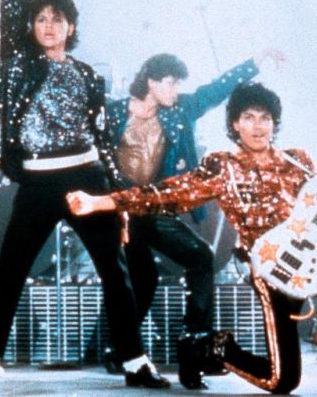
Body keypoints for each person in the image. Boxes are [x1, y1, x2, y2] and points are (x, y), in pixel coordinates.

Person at [68, 82, 317, 393]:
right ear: (235, 124)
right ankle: (211, 347)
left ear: (274, 123)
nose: (258, 126)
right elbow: (167, 194)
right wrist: (102, 202)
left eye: (265, 118)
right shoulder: (223, 166)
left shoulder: (297, 161)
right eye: (249, 117)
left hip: (316, 263)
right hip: (274, 273)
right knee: (282, 381)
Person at [0, 0, 170, 391]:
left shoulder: (87, 75)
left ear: (71, 27)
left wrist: (115, 196)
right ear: (30, 26)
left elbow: (102, 139)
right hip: (37, 181)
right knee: (10, 270)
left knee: (115, 271)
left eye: (58, 19)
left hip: (87, 178)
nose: (48, 26)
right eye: (41, 19)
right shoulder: (19, 62)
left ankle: (135, 362)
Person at [105, 51, 284, 382]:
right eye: (171, 83)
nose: (176, 90)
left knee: (199, 256)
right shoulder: (113, 113)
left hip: (152, 206)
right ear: (151, 82)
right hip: (115, 209)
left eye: (178, 84)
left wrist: (255, 63)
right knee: (142, 277)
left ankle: (193, 344)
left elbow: (216, 90)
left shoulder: (180, 110)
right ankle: (121, 350)